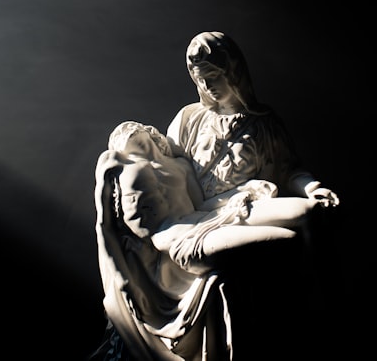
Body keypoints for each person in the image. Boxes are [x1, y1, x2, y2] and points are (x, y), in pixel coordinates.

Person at [93, 121, 320, 361]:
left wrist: (244, 191)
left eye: (136, 134)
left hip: (206, 220)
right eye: (125, 139)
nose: (128, 137)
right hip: (180, 240)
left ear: (150, 134)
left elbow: (201, 205)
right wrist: (120, 281)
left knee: (306, 211)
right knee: (285, 240)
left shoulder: (179, 165)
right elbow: (104, 226)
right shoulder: (116, 162)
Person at [166, 31, 340, 207]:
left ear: (232, 73)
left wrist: (313, 189)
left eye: (212, 76)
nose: (207, 86)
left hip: (246, 209)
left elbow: (289, 172)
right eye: (200, 79)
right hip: (194, 212)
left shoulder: (265, 126)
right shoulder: (190, 119)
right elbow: (166, 168)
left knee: (305, 214)